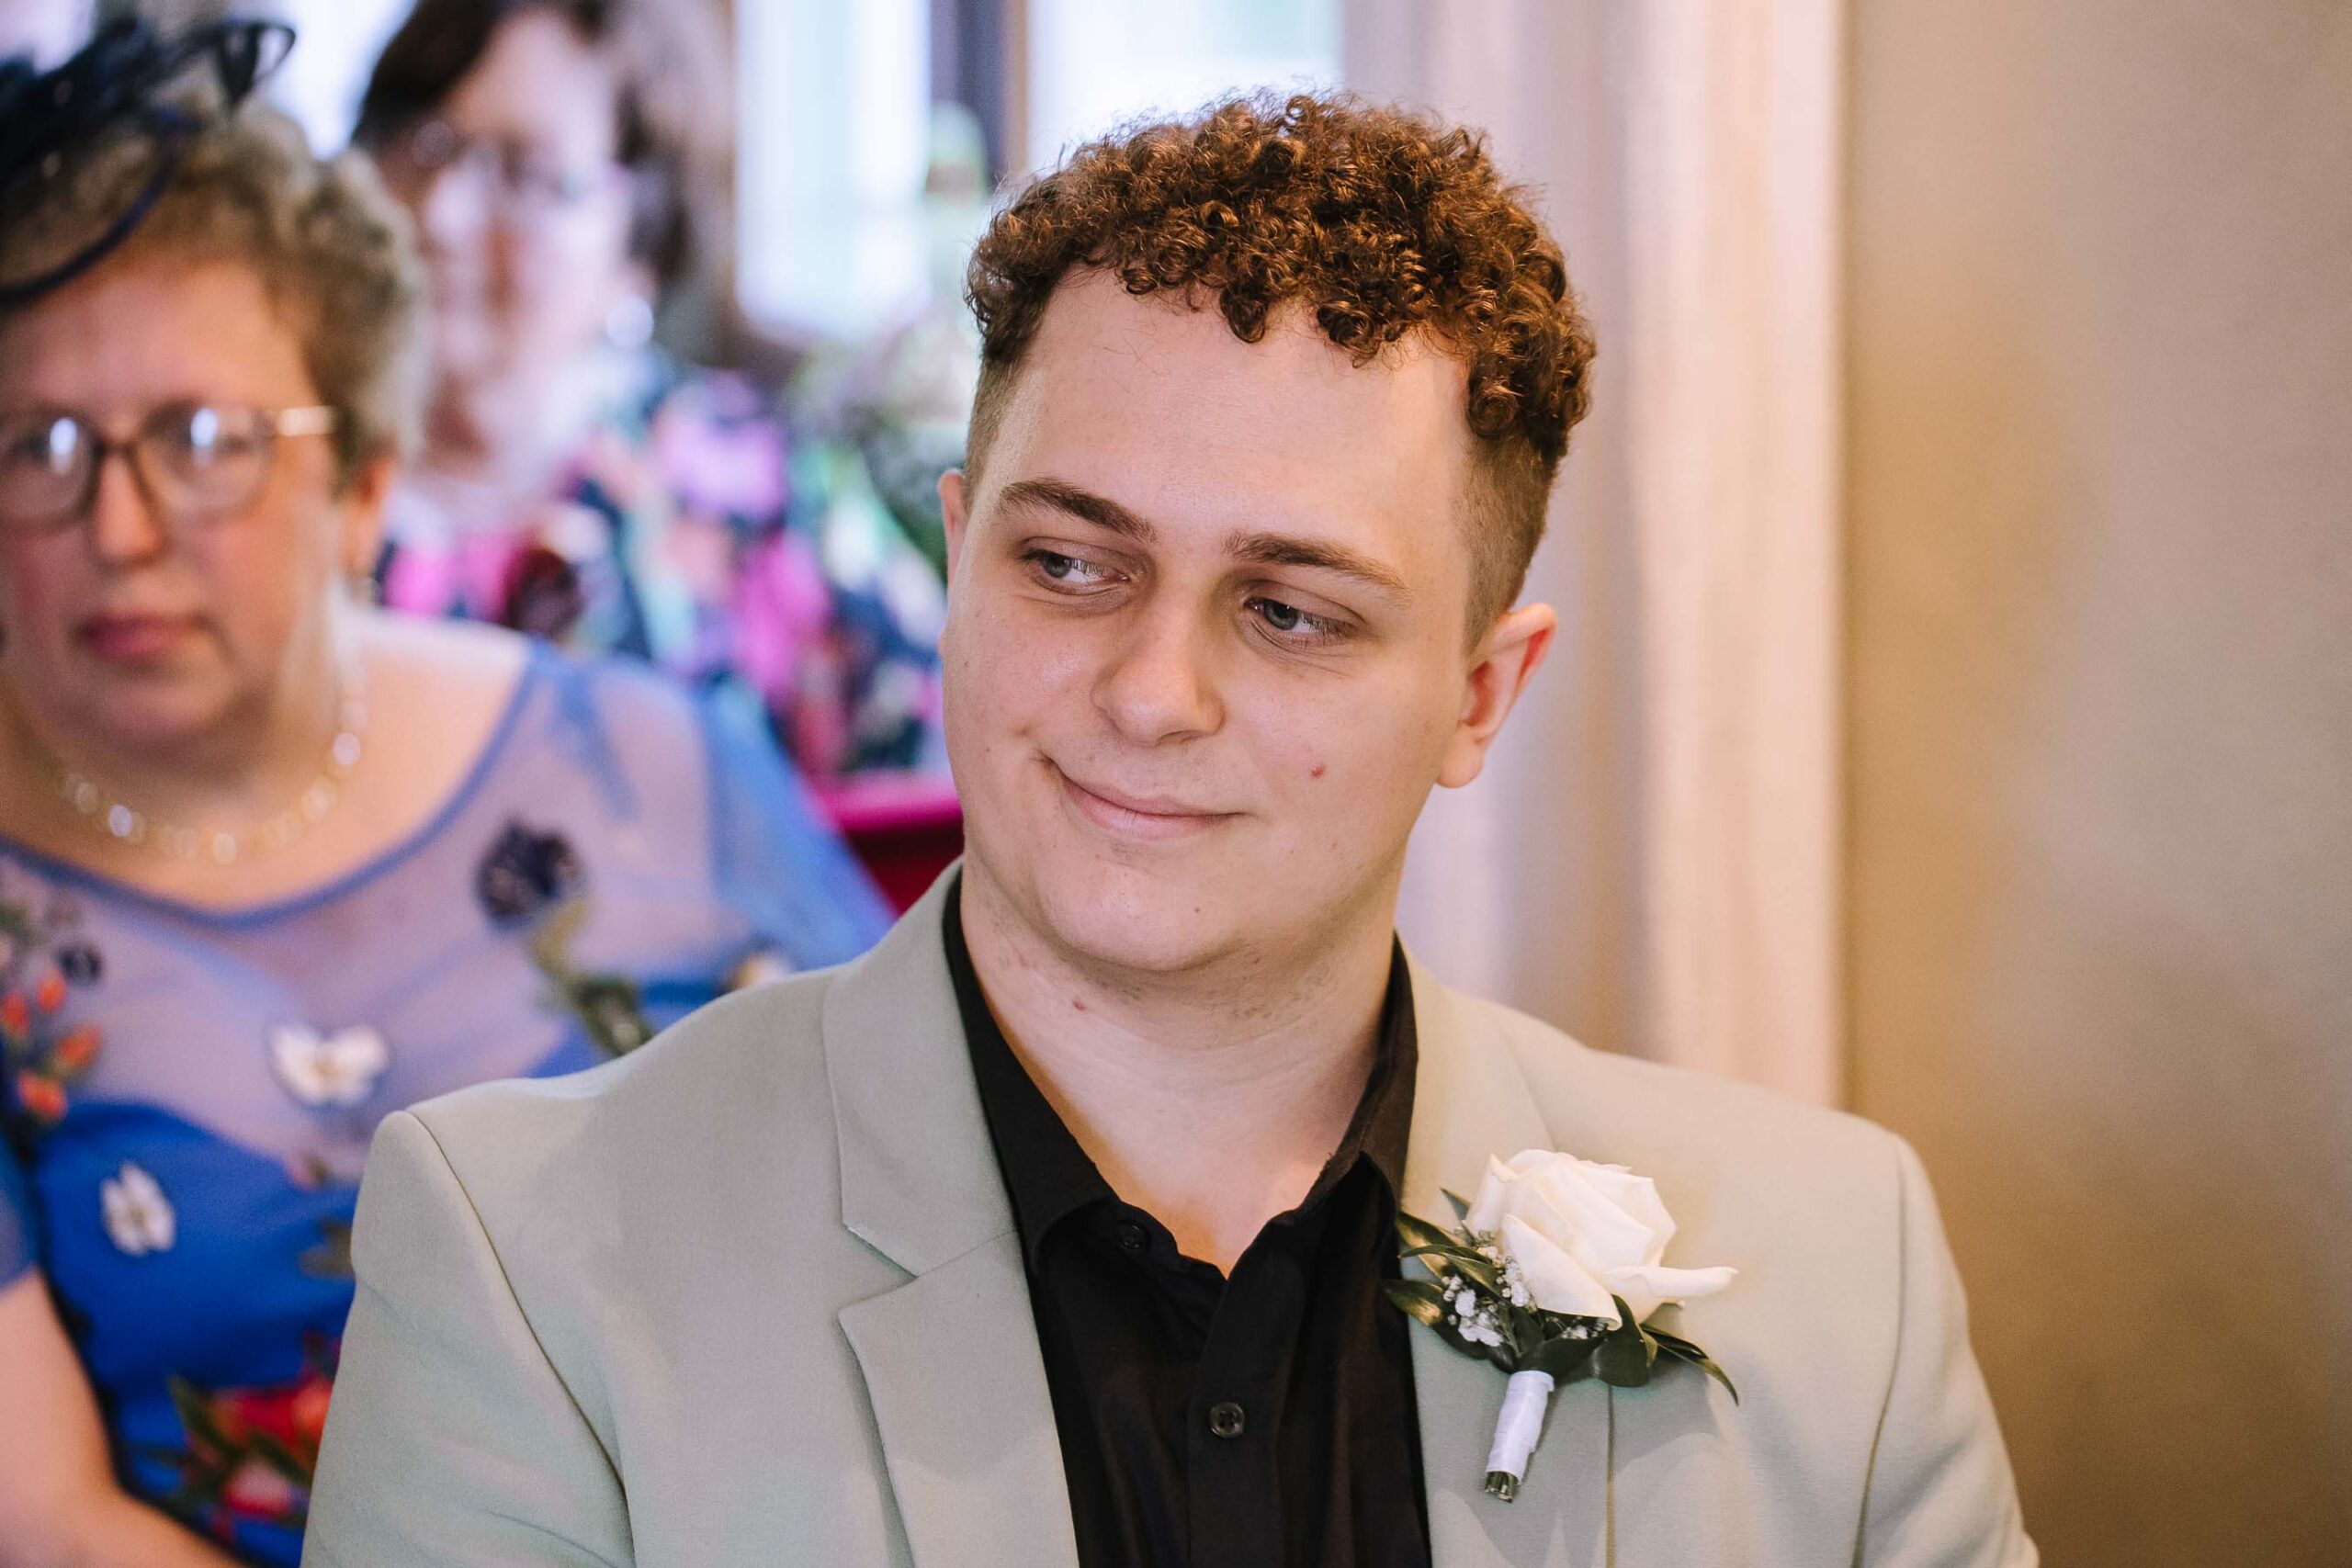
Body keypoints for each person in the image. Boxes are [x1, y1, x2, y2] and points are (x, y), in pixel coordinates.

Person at [304, 94, 2037, 1567]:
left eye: (1290, 610)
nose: (1150, 692)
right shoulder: (529, 1259)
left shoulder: (1837, 1272)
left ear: (1479, 695)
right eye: (1071, 562)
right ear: (959, 558)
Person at [0, 23, 888, 1568]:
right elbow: (50, 1520)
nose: (120, 528)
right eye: (43, 444)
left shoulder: (652, 769)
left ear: (362, 483)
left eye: (205, 441)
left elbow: (936, 1227)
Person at [356, 0, 950, 788]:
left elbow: (938, 750)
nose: (440, 212)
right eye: (421, 144)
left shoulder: (757, 487)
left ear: (640, 242)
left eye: (524, 171)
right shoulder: (280, 471)